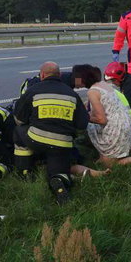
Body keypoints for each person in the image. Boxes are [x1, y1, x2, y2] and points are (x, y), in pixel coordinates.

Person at [13, 62, 90, 205]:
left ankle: (25, 172)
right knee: (58, 171)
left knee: (18, 132)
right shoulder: (72, 94)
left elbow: (19, 119)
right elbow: (82, 126)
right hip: (62, 145)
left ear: (42, 75)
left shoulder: (32, 90)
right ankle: (59, 183)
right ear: (60, 75)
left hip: (37, 139)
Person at [76, 65, 131, 169]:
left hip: (118, 128)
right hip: (125, 124)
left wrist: (83, 116)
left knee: (111, 165)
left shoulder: (92, 92)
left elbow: (101, 119)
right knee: (103, 157)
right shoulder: (103, 85)